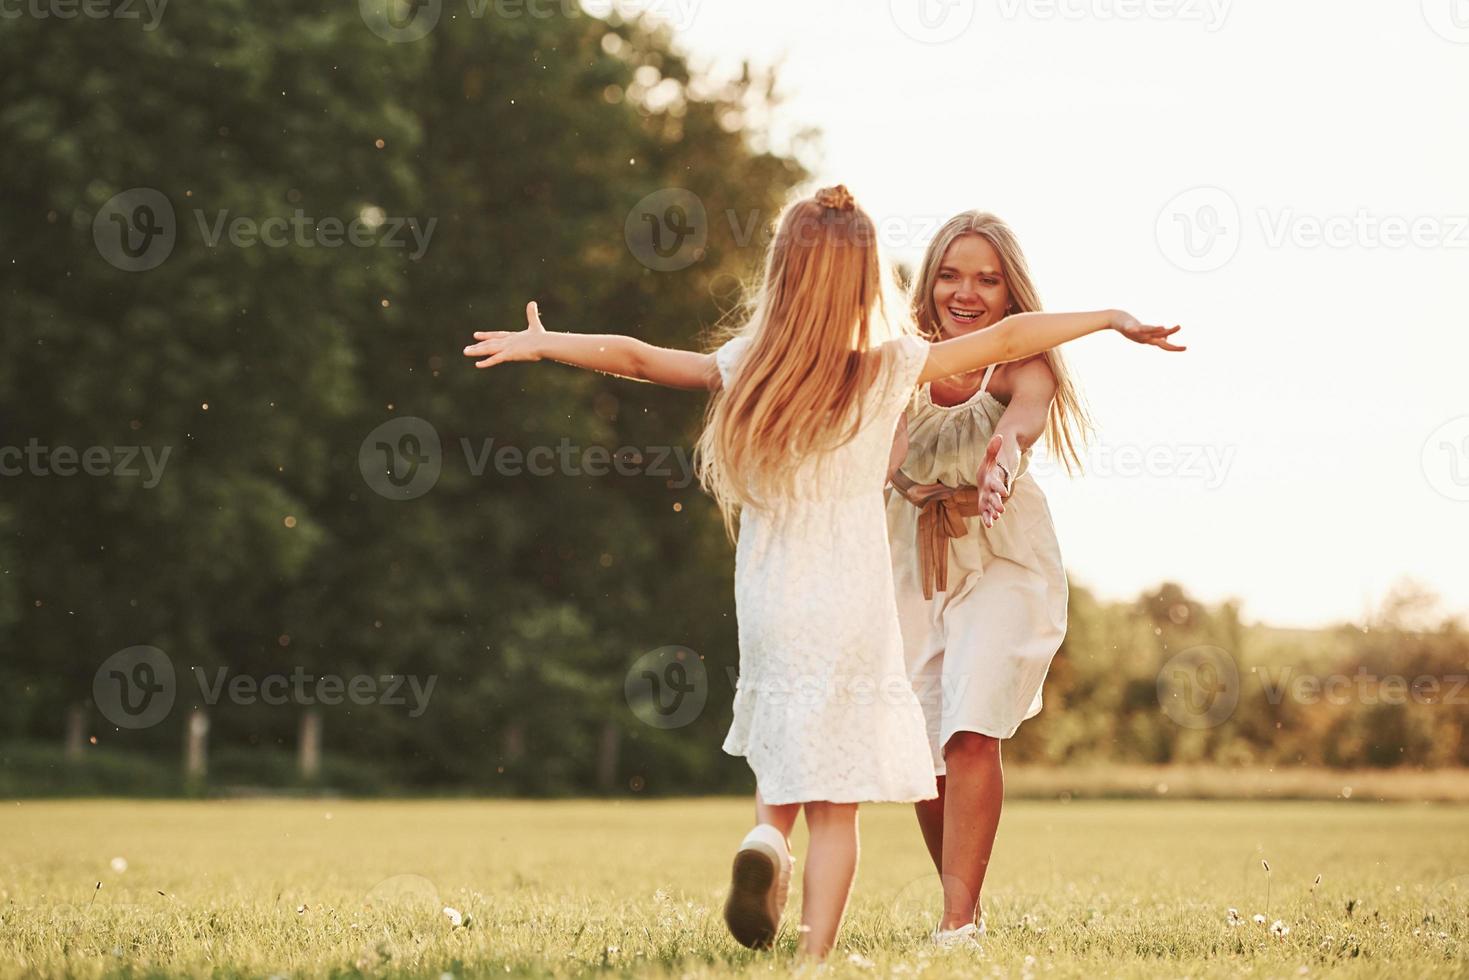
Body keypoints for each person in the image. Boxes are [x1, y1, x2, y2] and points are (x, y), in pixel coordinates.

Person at [462, 186, 1184, 958]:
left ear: (782, 274)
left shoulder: (751, 366)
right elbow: (1010, 337)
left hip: (772, 598)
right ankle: (811, 960)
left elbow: (641, 357)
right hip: (857, 598)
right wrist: (1107, 318)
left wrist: (547, 342)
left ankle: (769, 842)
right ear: (871, 279)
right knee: (837, 800)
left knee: (784, 748)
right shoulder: (887, 368)